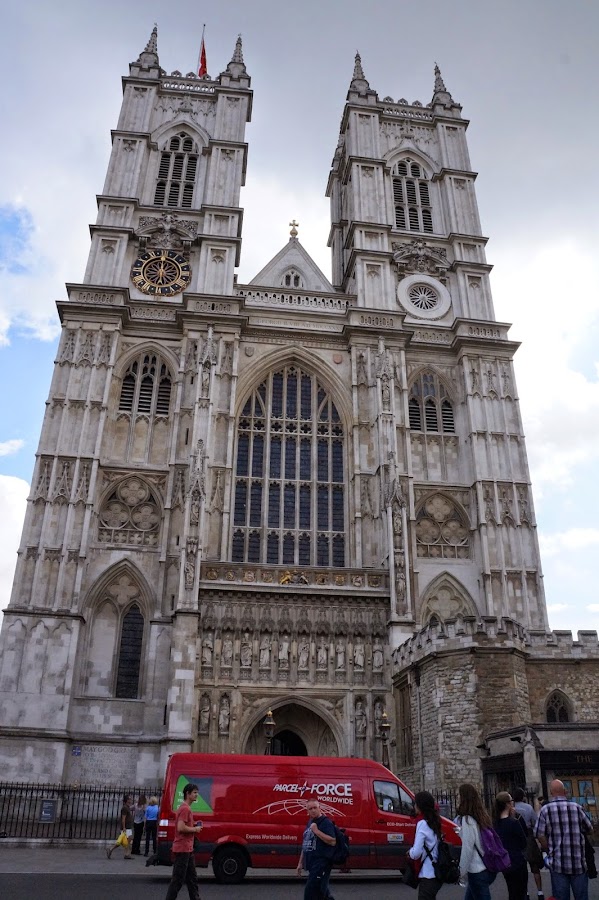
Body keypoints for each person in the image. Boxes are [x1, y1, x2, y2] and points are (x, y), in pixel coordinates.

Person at [535, 779, 592, 900]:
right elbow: (590, 828)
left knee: (561, 897)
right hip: (578, 862)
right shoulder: (577, 807)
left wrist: (548, 849)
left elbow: (539, 834)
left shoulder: (545, 810)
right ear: (565, 791)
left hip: (558, 863)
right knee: (581, 897)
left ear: (551, 792)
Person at [165, 782, 202, 900]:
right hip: (183, 848)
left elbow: (184, 825)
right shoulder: (185, 809)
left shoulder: (184, 808)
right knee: (178, 880)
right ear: (188, 794)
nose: (197, 795)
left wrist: (193, 826)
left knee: (192, 879)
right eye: (195, 793)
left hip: (188, 848)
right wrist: (195, 829)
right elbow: (180, 827)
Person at [456, 783, 493, 900]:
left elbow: (468, 848)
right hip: (485, 866)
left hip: (476, 869)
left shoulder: (468, 820)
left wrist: (461, 872)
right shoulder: (481, 816)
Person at [296, 797, 336, 900]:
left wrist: (317, 831)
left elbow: (332, 841)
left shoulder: (325, 822)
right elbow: (306, 843)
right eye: (310, 809)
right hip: (312, 864)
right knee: (323, 893)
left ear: (319, 808)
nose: (313, 810)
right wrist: (300, 863)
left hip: (321, 864)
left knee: (309, 893)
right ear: (307, 811)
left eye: (315, 807)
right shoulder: (310, 822)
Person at [493, 792, 528, 900]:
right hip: (517, 861)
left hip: (505, 863)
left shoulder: (495, 824)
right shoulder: (514, 822)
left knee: (512, 890)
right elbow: (524, 842)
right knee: (520, 892)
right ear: (508, 804)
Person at [409, 790, 442, 900]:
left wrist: (410, 852)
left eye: (415, 803)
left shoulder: (422, 824)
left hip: (427, 874)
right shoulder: (435, 821)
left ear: (420, 806)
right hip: (436, 873)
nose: (414, 806)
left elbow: (416, 853)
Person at [513, 787, 544, 900]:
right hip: (528, 835)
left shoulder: (512, 808)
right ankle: (540, 892)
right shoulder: (528, 807)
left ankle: (525, 892)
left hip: (516, 837)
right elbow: (536, 822)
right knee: (535, 866)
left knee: (522, 868)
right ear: (523, 796)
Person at [106, 793, 133, 859]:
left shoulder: (127, 807)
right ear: (126, 800)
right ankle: (125, 853)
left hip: (128, 827)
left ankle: (125, 853)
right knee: (126, 840)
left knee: (126, 841)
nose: (131, 800)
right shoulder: (124, 808)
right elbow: (123, 819)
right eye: (129, 799)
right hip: (126, 827)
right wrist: (124, 827)